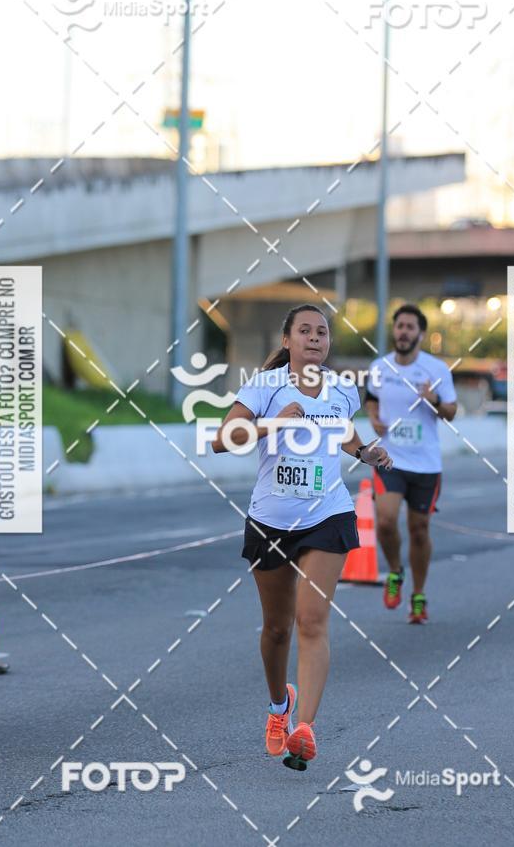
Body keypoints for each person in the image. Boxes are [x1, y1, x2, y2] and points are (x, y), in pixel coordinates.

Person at [211, 304, 391, 771]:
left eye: (322, 332)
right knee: (277, 629)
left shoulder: (341, 391)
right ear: (287, 340)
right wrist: (276, 422)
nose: (315, 338)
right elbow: (221, 438)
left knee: (312, 622)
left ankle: (305, 728)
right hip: (271, 519)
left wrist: (367, 451)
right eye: (305, 331)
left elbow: (343, 431)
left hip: (326, 514)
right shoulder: (265, 387)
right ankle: (279, 708)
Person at [364, 304, 457, 624]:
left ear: (420, 333)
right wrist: (374, 418)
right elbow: (371, 397)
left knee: (419, 531)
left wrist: (433, 399)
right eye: (399, 326)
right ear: (395, 331)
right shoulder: (380, 366)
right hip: (390, 459)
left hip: (426, 464)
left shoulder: (437, 369)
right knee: (386, 521)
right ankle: (394, 572)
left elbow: (452, 412)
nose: (403, 331)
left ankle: (418, 595)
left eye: (409, 327)